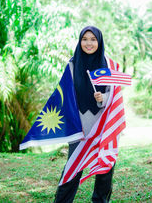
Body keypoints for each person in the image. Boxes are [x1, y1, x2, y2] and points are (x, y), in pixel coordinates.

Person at [54, 26, 121, 203]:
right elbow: (65, 95)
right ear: (80, 41)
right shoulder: (72, 64)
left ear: (99, 41)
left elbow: (114, 95)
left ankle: (100, 200)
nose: (89, 43)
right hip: (79, 126)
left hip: (103, 124)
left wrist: (103, 97)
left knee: (105, 168)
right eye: (85, 39)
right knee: (73, 168)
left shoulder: (108, 65)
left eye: (93, 39)